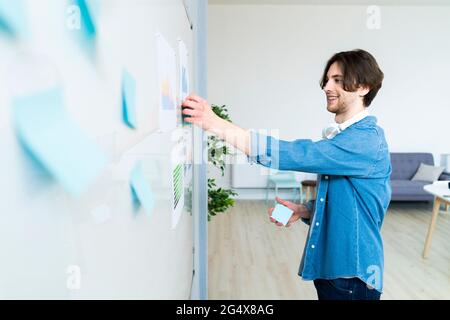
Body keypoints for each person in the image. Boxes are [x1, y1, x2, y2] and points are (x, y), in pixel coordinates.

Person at [182, 49, 391, 300]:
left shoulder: (364, 140)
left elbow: (295, 153)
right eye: (327, 80)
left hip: (351, 277)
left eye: (337, 79)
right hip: (337, 273)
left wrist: (213, 122)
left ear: (364, 87)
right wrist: (304, 210)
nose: (326, 86)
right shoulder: (349, 138)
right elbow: (353, 204)